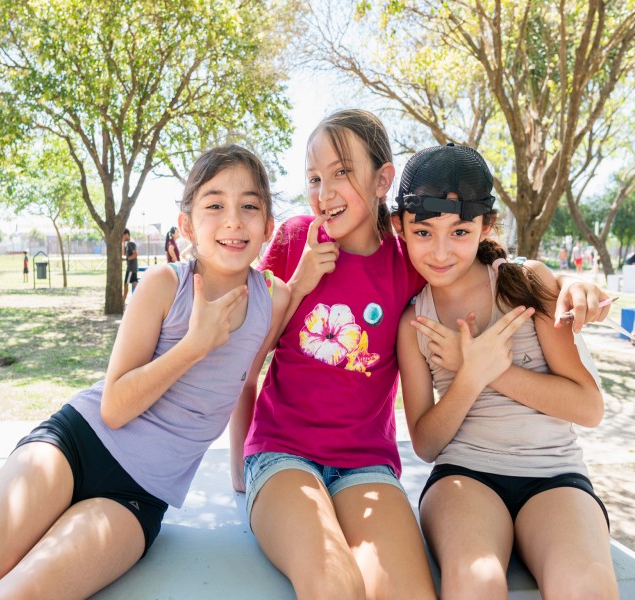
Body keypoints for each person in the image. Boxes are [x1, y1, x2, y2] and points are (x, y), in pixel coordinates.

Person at [240, 110, 612, 600]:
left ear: (383, 181)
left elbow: (481, 264)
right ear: (404, 224)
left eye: (342, 172)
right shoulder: (307, 247)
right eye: (314, 177)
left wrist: (567, 284)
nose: (325, 191)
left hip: (375, 466)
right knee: (340, 580)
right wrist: (295, 287)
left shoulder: (414, 265)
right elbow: (244, 358)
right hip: (302, 455)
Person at [0, 144, 289, 600]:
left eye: (249, 206)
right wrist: (194, 345)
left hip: (136, 501)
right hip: (74, 446)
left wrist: (240, 474)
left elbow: (245, 381)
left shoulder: (273, 299)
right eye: (215, 204)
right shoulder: (162, 286)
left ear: (269, 226)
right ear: (188, 224)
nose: (233, 219)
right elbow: (114, 407)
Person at [394, 144, 617, 598]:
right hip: (464, 476)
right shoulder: (414, 321)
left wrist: (488, 369)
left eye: (458, 231)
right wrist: (470, 378)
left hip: (555, 476)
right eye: (422, 231)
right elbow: (426, 443)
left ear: (486, 226)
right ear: (400, 227)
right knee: (476, 580)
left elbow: (588, 408)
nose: (439, 251)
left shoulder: (527, 283)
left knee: (586, 585)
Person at [122, 228, 138, 303]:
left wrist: (127, 259)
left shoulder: (131, 243)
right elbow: (124, 253)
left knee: (126, 284)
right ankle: (144, 294)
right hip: (131, 267)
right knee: (134, 282)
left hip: (131, 268)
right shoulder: (128, 243)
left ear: (126, 234)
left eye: (123, 236)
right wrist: (123, 243)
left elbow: (135, 254)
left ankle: (122, 301)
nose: (122, 238)